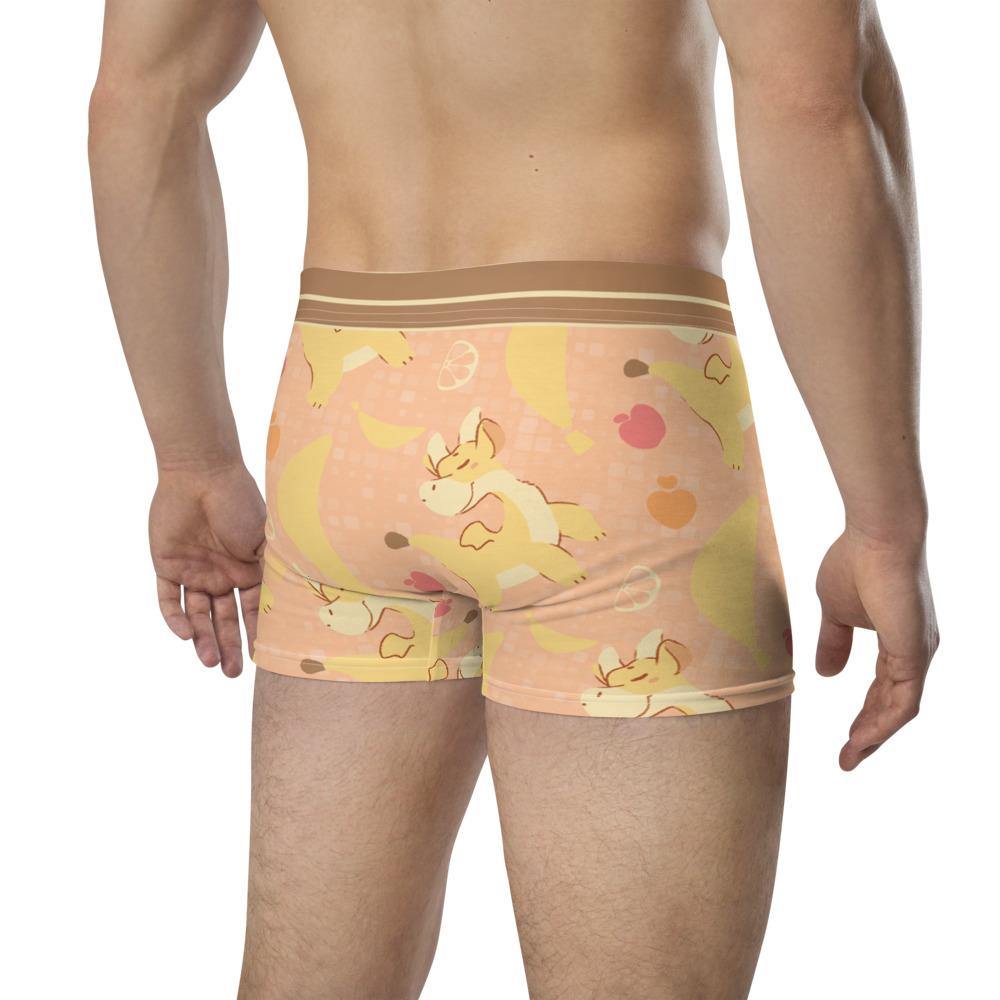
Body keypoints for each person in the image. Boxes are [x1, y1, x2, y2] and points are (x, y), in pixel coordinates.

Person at [88, 1, 939, 997]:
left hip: (344, 409)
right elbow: (812, 103)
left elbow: (139, 102)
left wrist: (192, 458)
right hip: (611, 411)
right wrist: (884, 520)